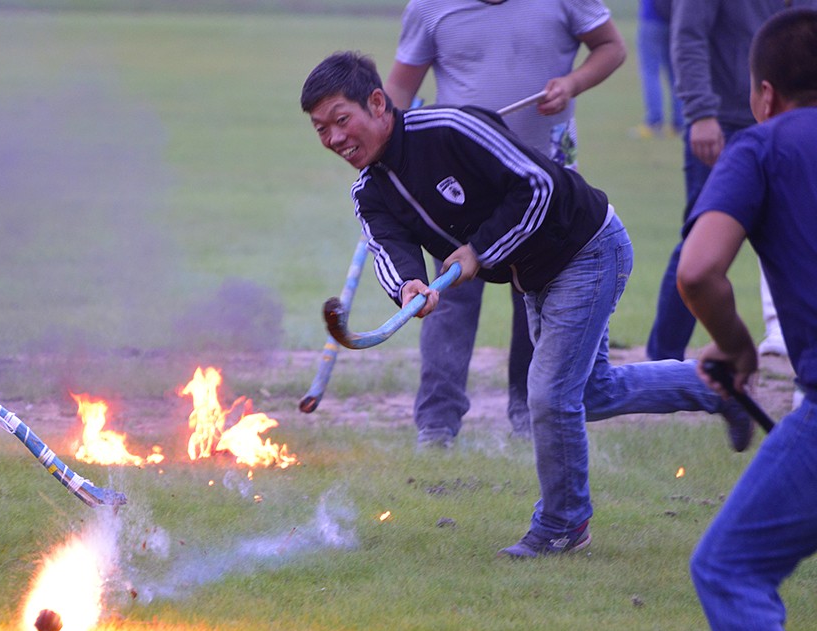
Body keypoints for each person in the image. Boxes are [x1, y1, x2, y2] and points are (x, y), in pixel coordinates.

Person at [300, 51, 751, 558]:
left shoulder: (450, 127)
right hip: (536, 274)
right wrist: (409, 287)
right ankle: (721, 388)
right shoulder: (370, 192)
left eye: (342, 120)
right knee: (592, 393)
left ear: (378, 103)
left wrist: (479, 250)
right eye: (321, 129)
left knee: (551, 395)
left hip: (586, 246)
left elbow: (539, 185)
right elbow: (388, 246)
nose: (334, 138)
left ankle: (563, 524)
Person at [381, 0, 626, 447]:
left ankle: (528, 411)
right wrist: (385, 160)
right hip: (455, 184)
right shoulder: (430, 7)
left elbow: (612, 46)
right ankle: (437, 422)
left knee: (535, 292)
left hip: (543, 181)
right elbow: (398, 87)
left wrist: (573, 83)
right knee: (448, 296)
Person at [679, 9, 817, 631]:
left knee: (730, 569)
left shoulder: (760, 145)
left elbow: (698, 270)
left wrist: (734, 346)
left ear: (762, 94)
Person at [645, 0, 812, 363]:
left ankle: (796, 350)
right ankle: (664, 358)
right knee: (701, 240)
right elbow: (688, 36)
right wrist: (701, 112)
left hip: (798, 119)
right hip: (728, 121)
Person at [631, 0, 683, 139]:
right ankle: (679, 123)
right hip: (676, 19)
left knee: (650, 72)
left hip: (652, 19)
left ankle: (654, 121)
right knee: (676, 74)